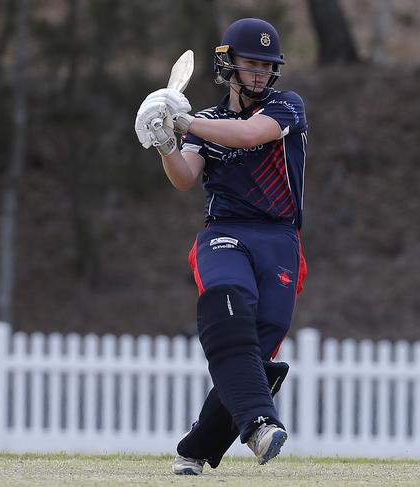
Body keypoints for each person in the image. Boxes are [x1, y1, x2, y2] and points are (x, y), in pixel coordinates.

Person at [134, 18, 308, 474]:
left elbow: (250, 135)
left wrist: (184, 119)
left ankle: (194, 447)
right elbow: (184, 178)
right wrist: (165, 141)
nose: (259, 75)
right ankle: (259, 425)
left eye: (267, 67)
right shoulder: (207, 122)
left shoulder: (286, 106)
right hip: (225, 231)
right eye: (250, 65)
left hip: (280, 237)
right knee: (228, 306)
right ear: (227, 65)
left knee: (256, 345)